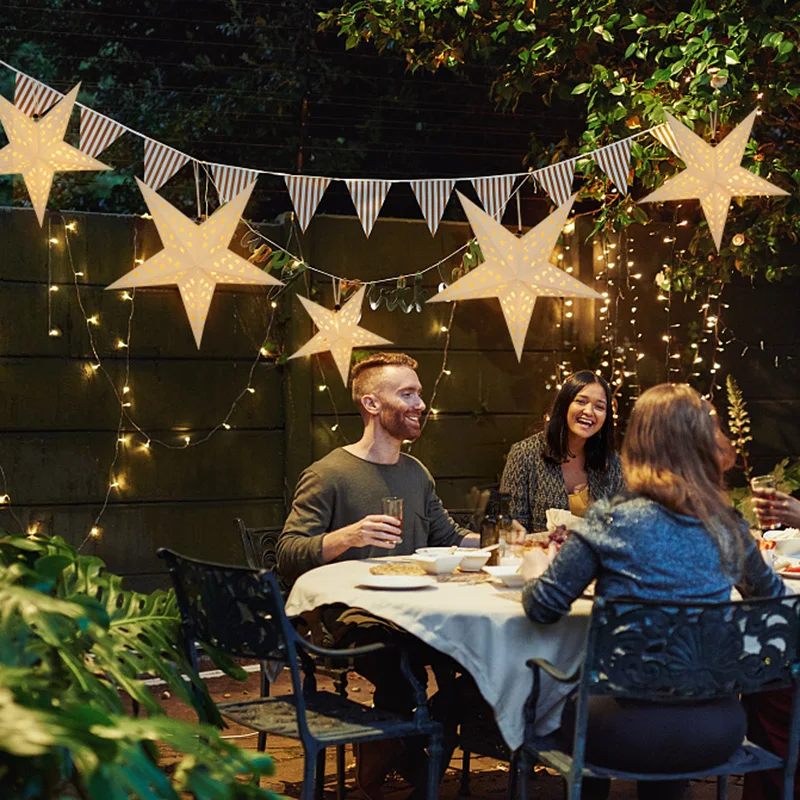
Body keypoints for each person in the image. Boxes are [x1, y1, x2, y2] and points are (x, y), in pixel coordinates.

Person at [520, 383, 786, 800]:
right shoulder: (729, 525)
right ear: (703, 443)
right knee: (668, 699)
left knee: (589, 701)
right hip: (719, 727)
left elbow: (543, 608)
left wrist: (537, 567)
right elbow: (772, 599)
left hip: (620, 728)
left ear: (637, 443)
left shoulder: (611, 520)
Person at [278, 352, 490, 800]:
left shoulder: (416, 473)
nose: (420, 403)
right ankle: (417, 763)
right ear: (372, 405)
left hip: (416, 611)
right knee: (402, 669)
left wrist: (503, 542)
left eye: (420, 393)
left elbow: (448, 535)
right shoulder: (328, 473)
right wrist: (346, 536)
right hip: (347, 619)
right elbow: (289, 555)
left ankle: (393, 746)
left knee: (479, 663)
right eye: (407, 394)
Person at [500, 370, 624, 531]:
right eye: (581, 401)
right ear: (564, 405)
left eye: (599, 407)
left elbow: (621, 526)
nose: (589, 411)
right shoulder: (524, 453)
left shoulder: (612, 462)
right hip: (536, 553)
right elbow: (511, 524)